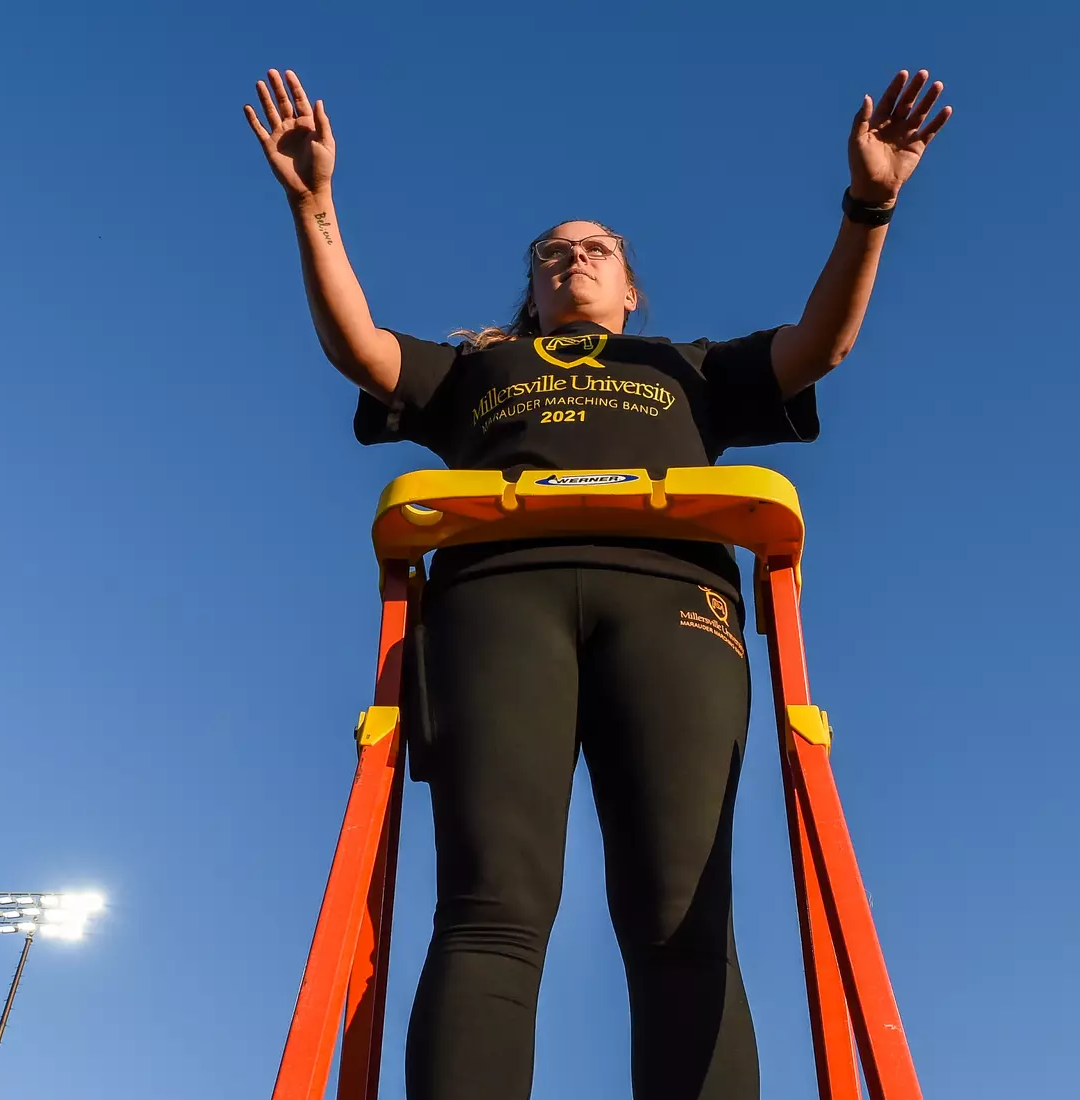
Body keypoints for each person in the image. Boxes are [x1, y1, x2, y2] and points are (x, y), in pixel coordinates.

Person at [244, 65, 950, 1100]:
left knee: (681, 913)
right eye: (551, 253)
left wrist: (869, 204)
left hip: (673, 602)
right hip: (497, 597)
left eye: (596, 249)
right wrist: (314, 206)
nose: (572, 258)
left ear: (629, 291)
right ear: (531, 293)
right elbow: (363, 350)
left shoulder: (687, 367)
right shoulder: (476, 370)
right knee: (489, 907)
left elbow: (820, 347)